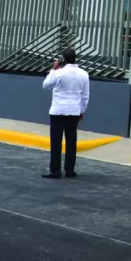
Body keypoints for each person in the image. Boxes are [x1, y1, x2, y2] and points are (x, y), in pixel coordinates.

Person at [41, 49, 90, 179]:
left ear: (63, 59)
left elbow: (45, 85)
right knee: (71, 141)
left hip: (58, 111)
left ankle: (55, 171)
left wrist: (53, 70)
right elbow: (85, 96)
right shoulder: (84, 74)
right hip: (74, 111)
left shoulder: (58, 73)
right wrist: (82, 111)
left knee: (56, 142)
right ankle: (70, 170)